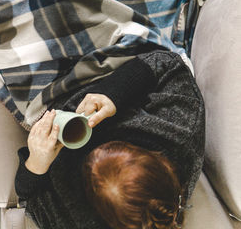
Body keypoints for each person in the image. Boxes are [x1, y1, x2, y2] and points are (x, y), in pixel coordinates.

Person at [14, 50, 205, 229]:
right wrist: (113, 93)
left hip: (47, 98)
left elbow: (28, 196)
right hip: (107, 65)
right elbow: (168, 64)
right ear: (162, 163)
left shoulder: (74, 221)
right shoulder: (181, 134)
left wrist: (36, 165)